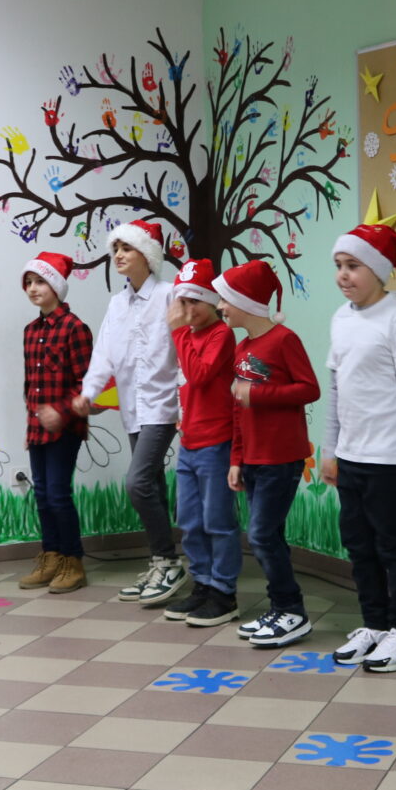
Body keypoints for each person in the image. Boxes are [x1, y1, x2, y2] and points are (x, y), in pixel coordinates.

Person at [322, 224, 396, 673]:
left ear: (380, 271)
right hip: (351, 456)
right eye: (339, 266)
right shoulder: (341, 318)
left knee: (393, 547)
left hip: (389, 459)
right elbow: (336, 388)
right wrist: (329, 449)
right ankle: (375, 625)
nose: (343, 275)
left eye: (353, 266)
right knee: (358, 545)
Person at [72, 220, 186, 606]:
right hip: (133, 409)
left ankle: (168, 561)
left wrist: (186, 401)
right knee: (151, 484)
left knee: (137, 483)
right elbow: (103, 354)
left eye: (127, 248)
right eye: (115, 249)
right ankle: (161, 562)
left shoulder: (170, 296)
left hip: (163, 406)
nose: (118, 255)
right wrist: (89, 392)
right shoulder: (117, 304)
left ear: (147, 255)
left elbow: (184, 350)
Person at [214, 259, 321, 647]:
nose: (220, 307)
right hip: (253, 460)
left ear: (246, 302)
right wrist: (236, 459)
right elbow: (237, 410)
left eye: (225, 300)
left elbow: (309, 389)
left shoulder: (284, 340)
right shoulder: (242, 347)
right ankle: (282, 609)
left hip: (282, 457)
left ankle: (292, 609)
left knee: (260, 535)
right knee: (268, 535)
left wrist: (258, 394)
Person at [162, 258, 240, 627]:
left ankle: (224, 592)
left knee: (217, 520)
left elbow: (200, 374)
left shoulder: (221, 335)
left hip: (216, 443)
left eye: (195, 301)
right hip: (189, 443)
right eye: (182, 301)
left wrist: (178, 331)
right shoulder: (187, 336)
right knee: (190, 521)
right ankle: (203, 584)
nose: (188, 309)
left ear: (211, 301)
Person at [16, 252, 95, 593]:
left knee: (59, 494)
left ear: (57, 287)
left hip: (66, 429)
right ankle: (51, 555)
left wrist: (61, 412)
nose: (33, 288)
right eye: (29, 283)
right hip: (38, 429)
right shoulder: (30, 331)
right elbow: (30, 386)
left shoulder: (75, 328)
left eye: (40, 282)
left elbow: (86, 384)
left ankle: (73, 561)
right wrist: (30, 425)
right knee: (43, 495)